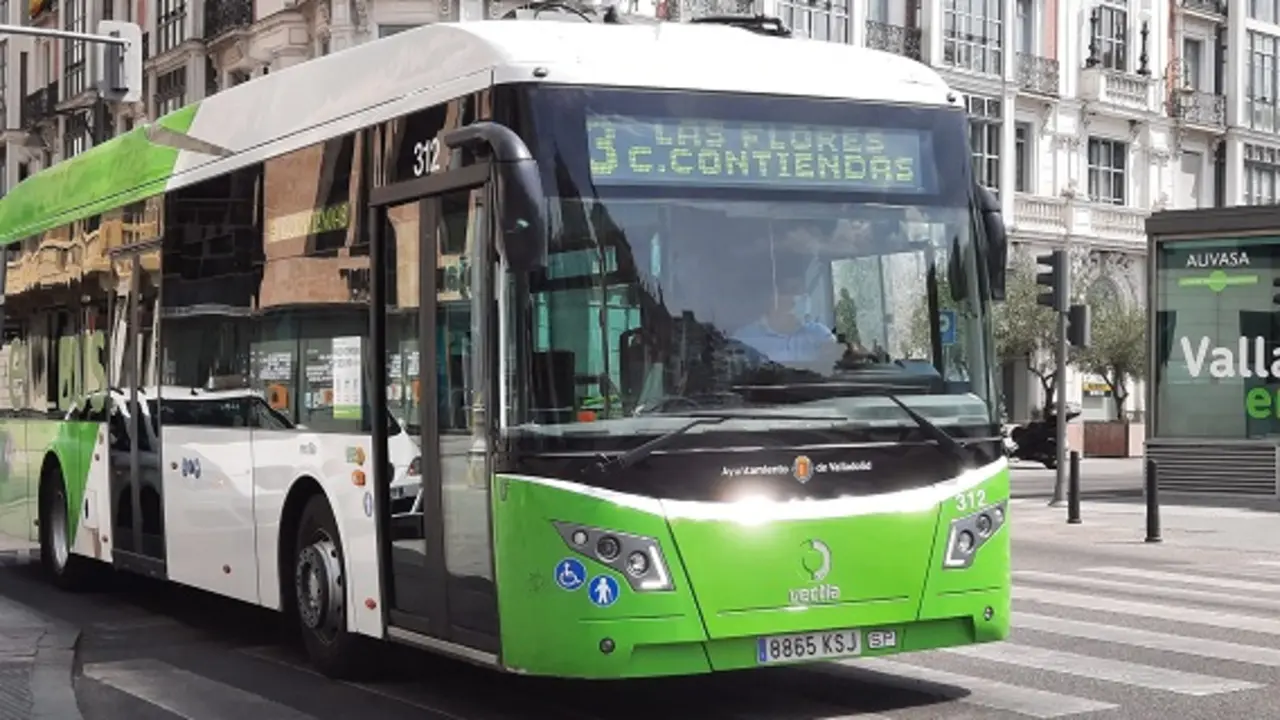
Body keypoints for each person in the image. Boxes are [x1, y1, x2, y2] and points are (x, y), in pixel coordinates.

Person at [731, 237, 841, 367]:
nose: (802, 297)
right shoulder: (744, 340)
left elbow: (837, 367)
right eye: (793, 291)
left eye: (803, 291)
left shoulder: (820, 335)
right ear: (773, 297)